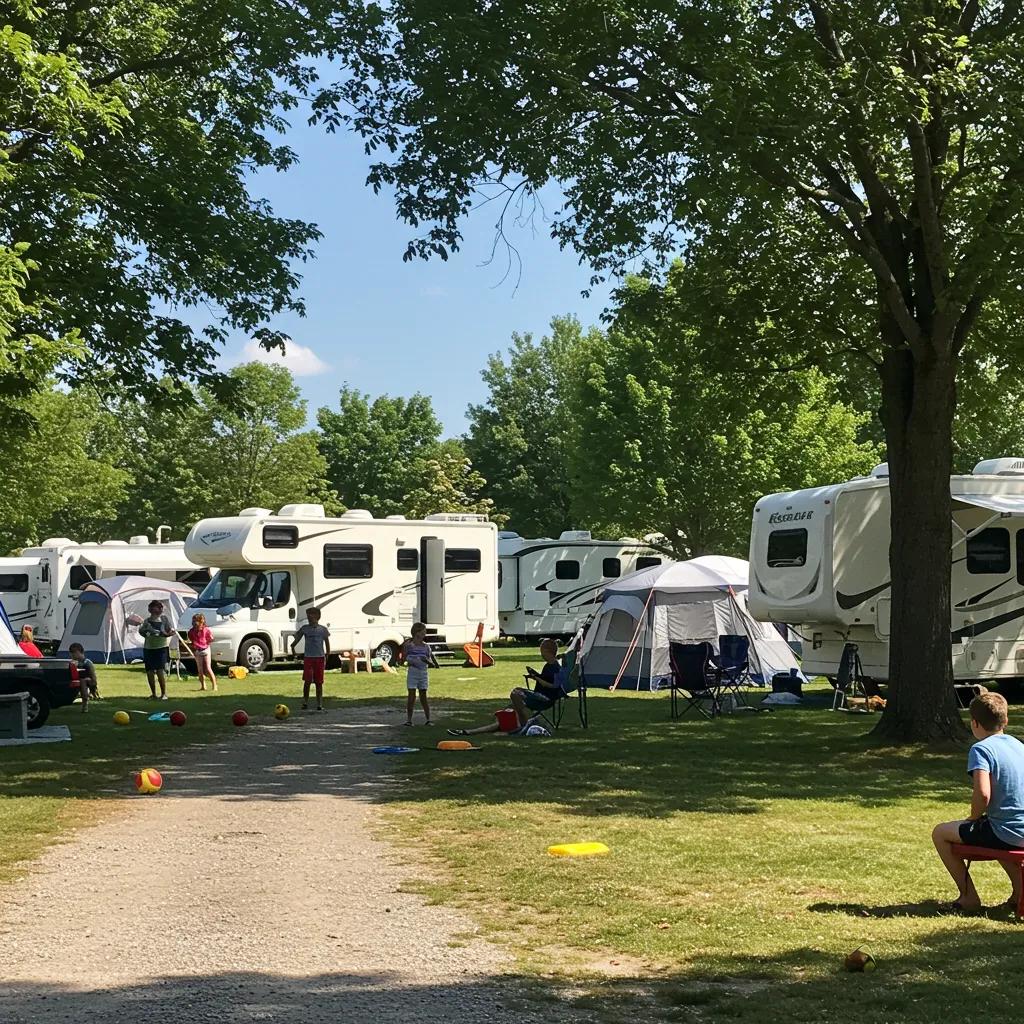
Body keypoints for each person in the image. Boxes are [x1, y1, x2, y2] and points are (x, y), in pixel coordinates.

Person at [932, 691, 1024, 914]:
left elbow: (983, 794)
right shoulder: (1019, 746)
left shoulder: (981, 749)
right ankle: (1019, 895)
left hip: (1007, 832)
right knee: (993, 829)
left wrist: (973, 818)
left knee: (940, 833)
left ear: (974, 723)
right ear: (1005, 720)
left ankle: (968, 897)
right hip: (1018, 829)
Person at [448, 639, 563, 736]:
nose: (541, 654)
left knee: (515, 694)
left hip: (545, 698)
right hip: (538, 695)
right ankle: (468, 732)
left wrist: (537, 678)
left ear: (548, 651)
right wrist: (535, 676)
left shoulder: (556, 667)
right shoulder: (548, 665)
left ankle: (523, 725)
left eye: (542, 652)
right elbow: (546, 679)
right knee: (512, 703)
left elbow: (554, 686)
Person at [290, 606, 330, 712]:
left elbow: (326, 641)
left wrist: (327, 653)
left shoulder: (322, 629)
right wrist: (293, 647)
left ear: (317, 616)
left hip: (319, 657)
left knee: (319, 682)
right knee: (307, 681)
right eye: (308, 615)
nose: (309, 617)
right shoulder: (305, 628)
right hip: (308, 658)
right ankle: (305, 702)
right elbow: (297, 638)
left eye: (311, 615)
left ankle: (319, 703)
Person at [400, 622, 436, 726]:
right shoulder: (409, 646)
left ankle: (428, 719)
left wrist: (426, 661)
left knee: (423, 696)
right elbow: (403, 660)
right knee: (411, 696)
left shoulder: (426, 647)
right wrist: (409, 660)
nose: (425, 634)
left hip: (423, 672)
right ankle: (409, 720)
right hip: (413, 672)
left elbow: (431, 663)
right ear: (417, 633)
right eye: (423, 632)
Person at [139, 600, 173, 700]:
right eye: (155, 608)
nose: (159, 610)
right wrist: (145, 631)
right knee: (150, 672)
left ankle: (163, 694)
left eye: (159, 608)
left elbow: (169, 631)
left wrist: (167, 633)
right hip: (148, 648)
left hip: (161, 648)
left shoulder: (164, 619)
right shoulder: (147, 621)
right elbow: (142, 632)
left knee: (160, 671)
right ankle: (153, 694)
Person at [187, 612, 217, 692]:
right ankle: (203, 686)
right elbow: (192, 640)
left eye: (195, 621)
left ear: (201, 622)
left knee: (208, 668)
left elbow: (211, 639)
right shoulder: (191, 631)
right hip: (198, 650)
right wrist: (192, 645)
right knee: (200, 670)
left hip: (205, 649)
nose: (194, 623)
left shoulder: (206, 630)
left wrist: (207, 642)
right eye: (193, 621)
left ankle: (214, 685)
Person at [68, 642, 100, 711]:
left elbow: (93, 676)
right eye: (71, 652)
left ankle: (85, 704)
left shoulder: (87, 662)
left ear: (80, 652)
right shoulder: (72, 663)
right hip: (76, 680)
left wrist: (93, 684)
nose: (72, 654)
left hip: (87, 681)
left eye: (74, 652)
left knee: (83, 680)